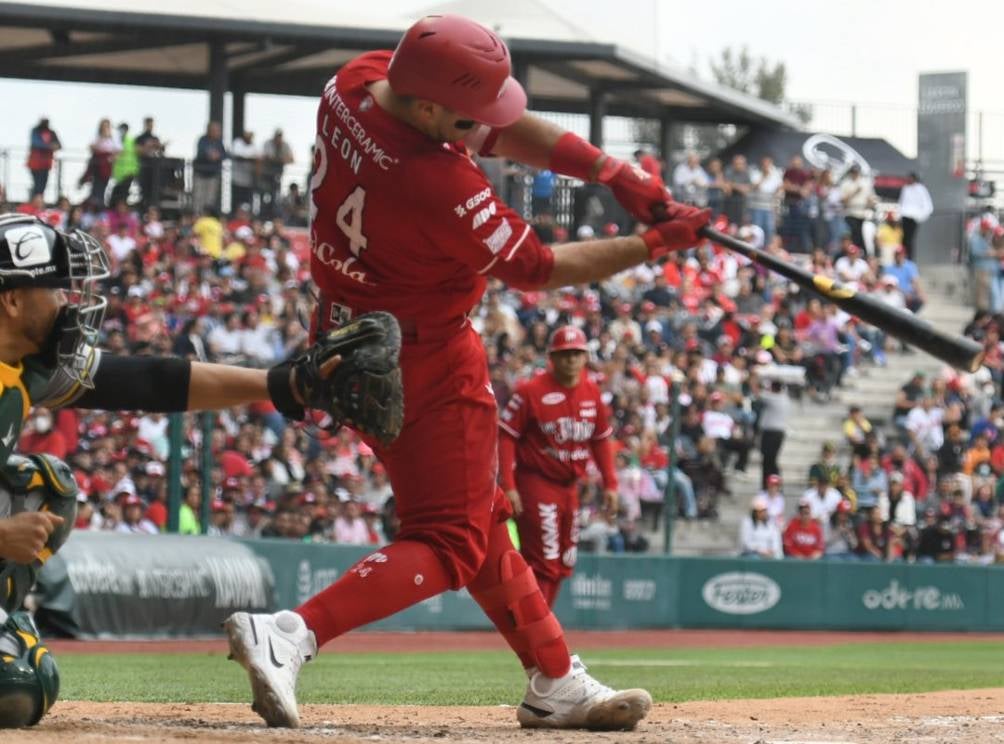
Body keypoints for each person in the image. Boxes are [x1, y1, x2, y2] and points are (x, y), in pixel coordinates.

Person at [222, 14, 709, 733]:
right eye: (464, 114)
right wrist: (653, 242)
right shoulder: (436, 180)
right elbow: (539, 269)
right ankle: (293, 632)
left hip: (345, 332)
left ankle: (556, 680)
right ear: (428, 110)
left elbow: (500, 130)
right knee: (451, 539)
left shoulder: (356, 81)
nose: (480, 125)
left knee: (476, 519)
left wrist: (615, 172)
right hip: (424, 357)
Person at [0, 213, 341, 728]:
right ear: (12, 299)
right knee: (17, 686)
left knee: (47, 488)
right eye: (55, 289)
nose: (69, 304)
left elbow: (153, 382)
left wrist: (284, 385)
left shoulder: (24, 367)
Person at [498, 326, 618, 607]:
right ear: (553, 357)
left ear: (586, 357)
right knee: (545, 561)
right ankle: (536, 636)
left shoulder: (592, 392)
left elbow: (600, 441)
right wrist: (510, 486)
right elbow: (506, 437)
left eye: (577, 354)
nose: (571, 360)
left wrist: (611, 483)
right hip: (536, 482)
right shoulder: (531, 391)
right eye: (565, 355)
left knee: (565, 561)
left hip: (570, 487)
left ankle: (538, 630)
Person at [757, 379, 789, 488]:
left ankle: (768, 484)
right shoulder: (785, 399)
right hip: (779, 433)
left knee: (768, 460)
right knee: (771, 459)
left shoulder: (773, 398)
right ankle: (772, 483)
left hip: (770, 433)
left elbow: (757, 393)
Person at [839, 164, 876, 252]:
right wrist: (854, 192)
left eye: (856, 172)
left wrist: (871, 202)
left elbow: (871, 197)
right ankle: (854, 251)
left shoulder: (865, 183)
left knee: (861, 235)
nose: (855, 174)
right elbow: (843, 200)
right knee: (853, 234)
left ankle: (860, 251)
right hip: (850, 213)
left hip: (862, 214)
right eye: (853, 172)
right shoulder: (846, 184)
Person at [897, 172, 933, 261]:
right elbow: (902, 203)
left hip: (913, 218)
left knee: (909, 240)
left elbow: (928, 206)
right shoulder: (905, 189)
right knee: (903, 239)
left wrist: (919, 217)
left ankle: (910, 259)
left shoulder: (921, 189)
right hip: (905, 216)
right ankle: (902, 257)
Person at [193, 121, 226, 214]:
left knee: (210, 199)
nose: (217, 132)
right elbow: (201, 153)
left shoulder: (219, 142)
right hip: (200, 174)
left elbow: (225, 154)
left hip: (213, 175)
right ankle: (197, 216)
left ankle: (206, 216)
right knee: (198, 197)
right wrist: (209, 155)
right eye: (215, 130)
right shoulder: (202, 140)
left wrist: (218, 156)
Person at [260, 129, 294, 218]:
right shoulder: (268, 143)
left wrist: (278, 160)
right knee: (264, 194)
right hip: (266, 174)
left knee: (276, 195)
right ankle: (263, 214)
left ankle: (273, 214)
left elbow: (291, 159)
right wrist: (280, 159)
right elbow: (268, 157)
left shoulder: (285, 145)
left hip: (278, 174)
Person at [134, 117, 167, 208]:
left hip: (155, 168)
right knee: (143, 190)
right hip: (143, 166)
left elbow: (160, 151)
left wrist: (161, 146)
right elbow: (137, 151)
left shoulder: (155, 138)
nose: (150, 127)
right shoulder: (140, 138)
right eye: (149, 124)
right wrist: (148, 147)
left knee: (154, 190)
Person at [26, 118, 61, 199]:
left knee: (42, 186)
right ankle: (34, 201)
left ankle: (38, 202)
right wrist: (50, 146)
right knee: (37, 185)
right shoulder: (35, 131)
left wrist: (50, 146)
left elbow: (59, 145)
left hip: (46, 164)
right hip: (35, 163)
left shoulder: (52, 133)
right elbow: (35, 143)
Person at [110, 122, 139, 206]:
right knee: (116, 194)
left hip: (128, 173)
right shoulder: (115, 141)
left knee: (122, 195)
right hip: (118, 175)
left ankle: (122, 211)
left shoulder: (131, 141)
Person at [230, 130, 259, 213]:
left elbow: (257, 158)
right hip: (236, 179)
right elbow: (238, 155)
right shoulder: (237, 143)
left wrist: (250, 159)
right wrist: (250, 159)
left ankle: (246, 215)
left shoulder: (254, 146)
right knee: (236, 200)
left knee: (246, 202)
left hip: (248, 180)